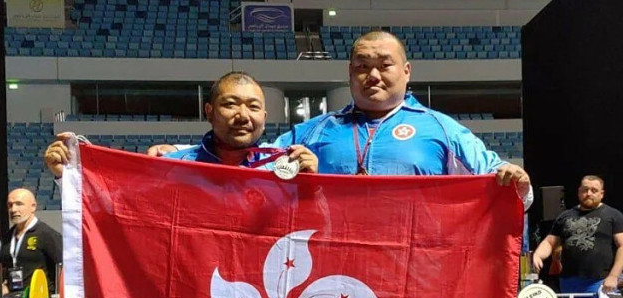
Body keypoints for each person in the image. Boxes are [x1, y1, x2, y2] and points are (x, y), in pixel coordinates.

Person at [151, 32, 532, 205]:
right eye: (362, 66)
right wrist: (181, 150)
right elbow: (253, 157)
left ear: (407, 71)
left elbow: (507, 186)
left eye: (384, 65)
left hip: (415, 269)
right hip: (335, 271)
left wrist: (518, 183)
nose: (373, 75)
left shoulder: (443, 129)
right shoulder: (317, 129)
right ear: (350, 73)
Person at [45, 72, 318, 175]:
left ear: (265, 118)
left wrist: (312, 187)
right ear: (209, 112)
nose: (243, 115)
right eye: (231, 104)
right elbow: (118, 208)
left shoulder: (285, 169)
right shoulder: (175, 167)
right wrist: (66, 175)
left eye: (253, 106)